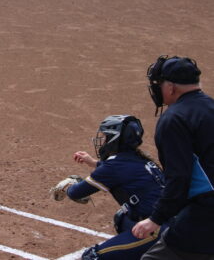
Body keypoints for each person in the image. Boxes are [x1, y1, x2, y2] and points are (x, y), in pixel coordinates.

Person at [51, 115, 168, 260]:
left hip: (157, 229)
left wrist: (67, 185)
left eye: (106, 137)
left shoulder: (114, 166)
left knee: (92, 257)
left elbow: (76, 192)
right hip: (169, 222)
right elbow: (119, 170)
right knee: (122, 218)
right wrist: (93, 162)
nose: (103, 141)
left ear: (115, 139)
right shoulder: (138, 159)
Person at [132, 56, 214, 260]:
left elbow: (179, 177)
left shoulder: (174, 119)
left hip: (205, 213)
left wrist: (156, 219)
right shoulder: (210, 107)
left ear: (170, 88)